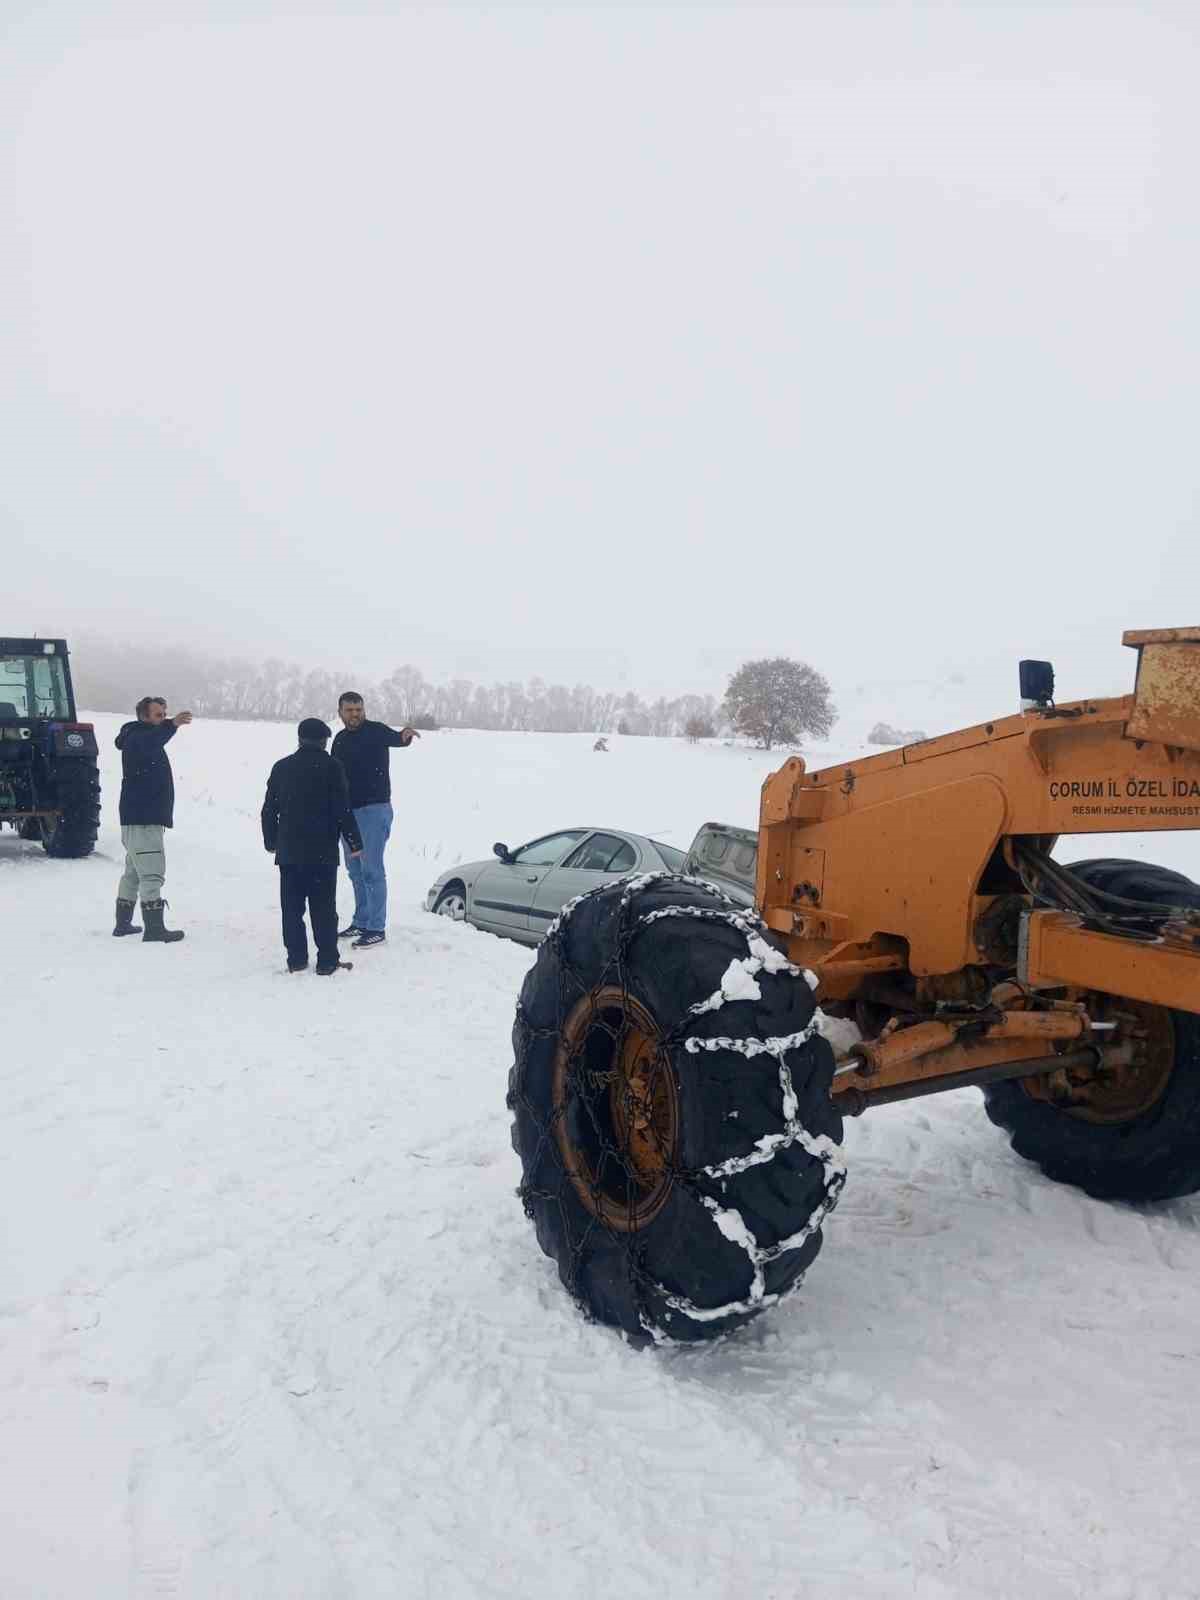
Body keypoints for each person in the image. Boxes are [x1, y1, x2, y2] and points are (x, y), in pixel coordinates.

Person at [261, 718, 365, 975]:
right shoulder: (332, 766)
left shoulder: (282, 767)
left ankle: (296, 959)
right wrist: (354, 842)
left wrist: (271, 841)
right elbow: (342, 808)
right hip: (322, 852)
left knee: (292, 909)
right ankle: (327, 961)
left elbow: (268, 810)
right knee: (323, 909)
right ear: (324, 741)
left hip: (289, 851)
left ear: (299, 739)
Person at [329, 692, 420, 949]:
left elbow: (397, 739)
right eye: (349, 710)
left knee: (371, 870)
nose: (355, 714)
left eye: (359, 709)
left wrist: (405, 736)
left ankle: (376, 927)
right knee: (355, 870)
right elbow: (335, 774)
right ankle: (362, 920)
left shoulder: (376, 731)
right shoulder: (340, 739)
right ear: (340, 712)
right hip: (348, 813)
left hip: (374, 810)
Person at [114, 695, 192, 943]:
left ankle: (123, 924)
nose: (163, 718)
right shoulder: (139, 739)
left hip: (138, 817)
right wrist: (173, 724)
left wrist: (168, 725)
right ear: (144, 717)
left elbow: (154, 738)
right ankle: (155, 929)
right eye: (158, 715)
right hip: (143, 818)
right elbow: (154, 739)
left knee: (134, 873)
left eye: (164, 713)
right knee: (152, 874)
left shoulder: (136, 736)